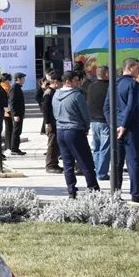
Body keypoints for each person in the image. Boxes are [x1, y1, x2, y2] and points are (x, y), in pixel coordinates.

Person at [51, 70, 99, 198]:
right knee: (85, 161)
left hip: (61, 130)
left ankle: (71, 191)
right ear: (68, 81)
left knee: (67, 164)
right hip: (75, 130)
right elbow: (85, 114)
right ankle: (93, 188)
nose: (79, 82)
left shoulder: (56, 94)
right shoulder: (77, 95)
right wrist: (86, 127)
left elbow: (55, 113)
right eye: (76, 80)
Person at [104, 57, 139, 203]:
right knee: (134, 162)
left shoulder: (113, 84)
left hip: (117, 129)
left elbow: (107, 108)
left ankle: (115, 195)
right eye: (138, 68)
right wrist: (124, 126)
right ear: (130, 67)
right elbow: (131, 107)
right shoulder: (133, 84)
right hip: (131, 129)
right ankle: (135, 196)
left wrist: (113, 126)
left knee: (117, 163)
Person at [87, 65, 111, 181]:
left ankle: (97, 169)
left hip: (94, 121)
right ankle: (102, 173)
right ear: (106, 74)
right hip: (105, 121)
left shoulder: (91, 86)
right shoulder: (110, 87)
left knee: (96, 147)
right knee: (105, 148)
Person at [41, 70, 63, 174]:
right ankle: (50, 165)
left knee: (56, 144)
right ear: (55, 82)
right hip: (51, 123)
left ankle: (55, 163)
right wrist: (47, 123)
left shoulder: (55, 92)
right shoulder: (48, 93)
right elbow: (45, 109)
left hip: (55, 122)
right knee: (52, 144)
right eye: (60, 82)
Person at [7, 72, 27, 155]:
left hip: (19, 113)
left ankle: (16, 148)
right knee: (16, 131)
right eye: (23, 78)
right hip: (17, 114)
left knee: (18, 131)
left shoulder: (18, 88)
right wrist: (14, 114)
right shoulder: (14, 88)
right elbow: (12, 103)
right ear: (18, 79)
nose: (24, 80)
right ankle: (14, 149)